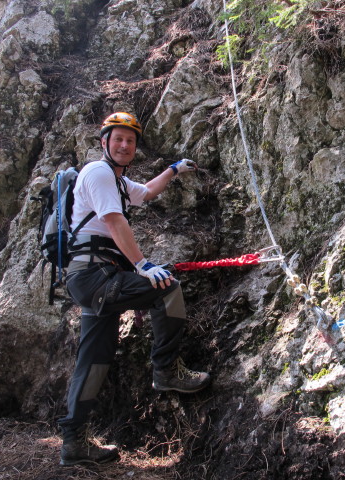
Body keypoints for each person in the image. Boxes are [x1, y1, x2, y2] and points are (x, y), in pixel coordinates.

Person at [57, 112, 211, 466]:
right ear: (104, 143)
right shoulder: (98, 173)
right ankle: (167, 371)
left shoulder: (119, 182)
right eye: (118, 139)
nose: (125, 145)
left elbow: (148, 192)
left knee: (94, 360)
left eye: (130, 141)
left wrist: (175, 169)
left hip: (93, 280)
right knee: (167, 287)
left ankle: (73, 444)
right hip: (96, 276)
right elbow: (114, 221)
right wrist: (143, 266)